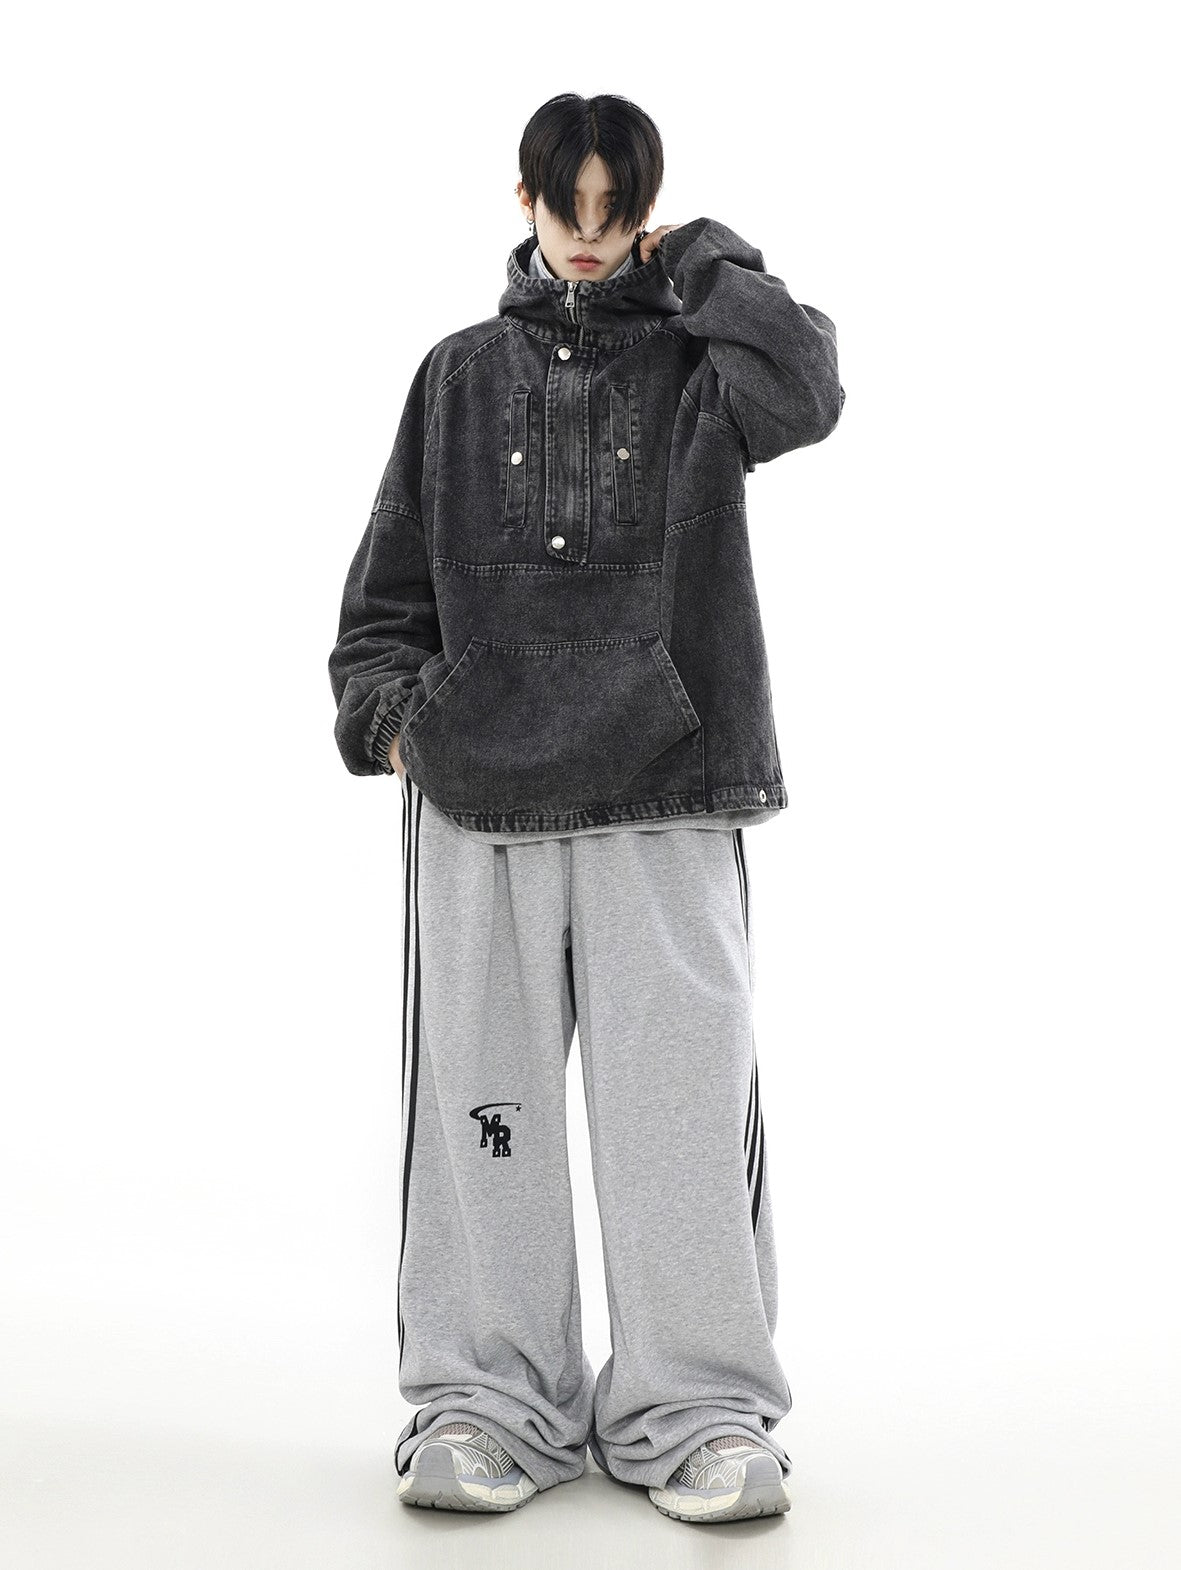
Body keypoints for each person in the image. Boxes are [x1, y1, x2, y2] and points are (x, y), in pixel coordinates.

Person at [328, 92, 844, 1524]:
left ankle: (699, 1410)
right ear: (527, 200)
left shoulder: (704, 369)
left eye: (621, 218)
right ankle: (488, 1401)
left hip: (668, 791)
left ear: (648, 214)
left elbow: (808, 387)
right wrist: (400, 724)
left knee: (680, 1117)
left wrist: (703, 262)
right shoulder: (456, 377)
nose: (592, 243)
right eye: (573, 212)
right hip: (481, 802)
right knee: (483, 1122)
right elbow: (381, 603)